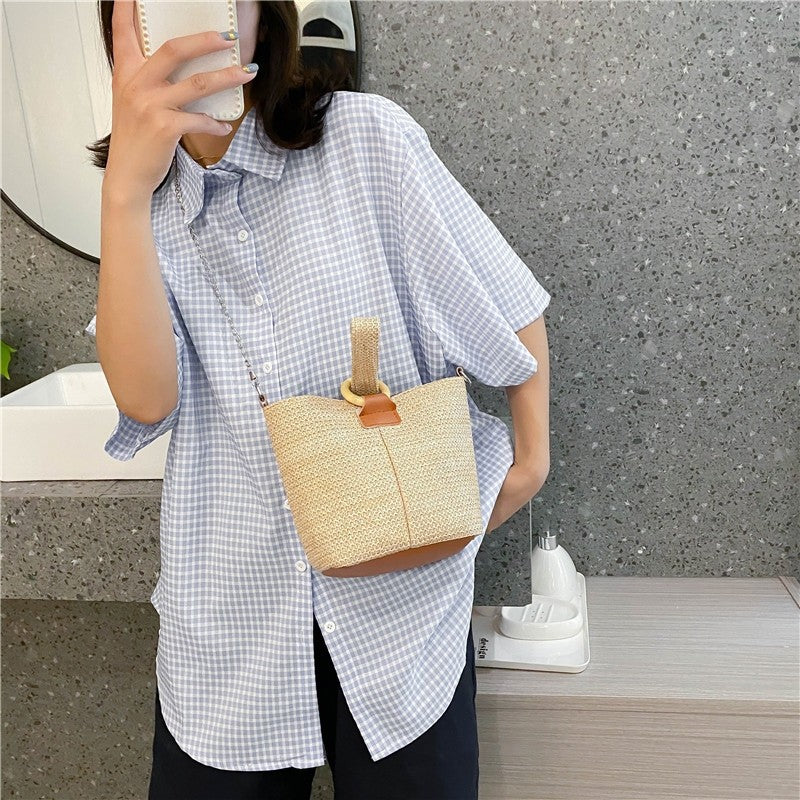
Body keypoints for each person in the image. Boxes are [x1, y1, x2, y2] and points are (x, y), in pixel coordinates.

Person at [85, 2, 552, 798]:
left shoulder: (367, 139)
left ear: (264, 19)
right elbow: (147, 400)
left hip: (403, 611)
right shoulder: (144, 197)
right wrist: (125, 194)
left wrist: (531, 461)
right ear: (122, 23)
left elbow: (504, 297)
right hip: (231, 620)